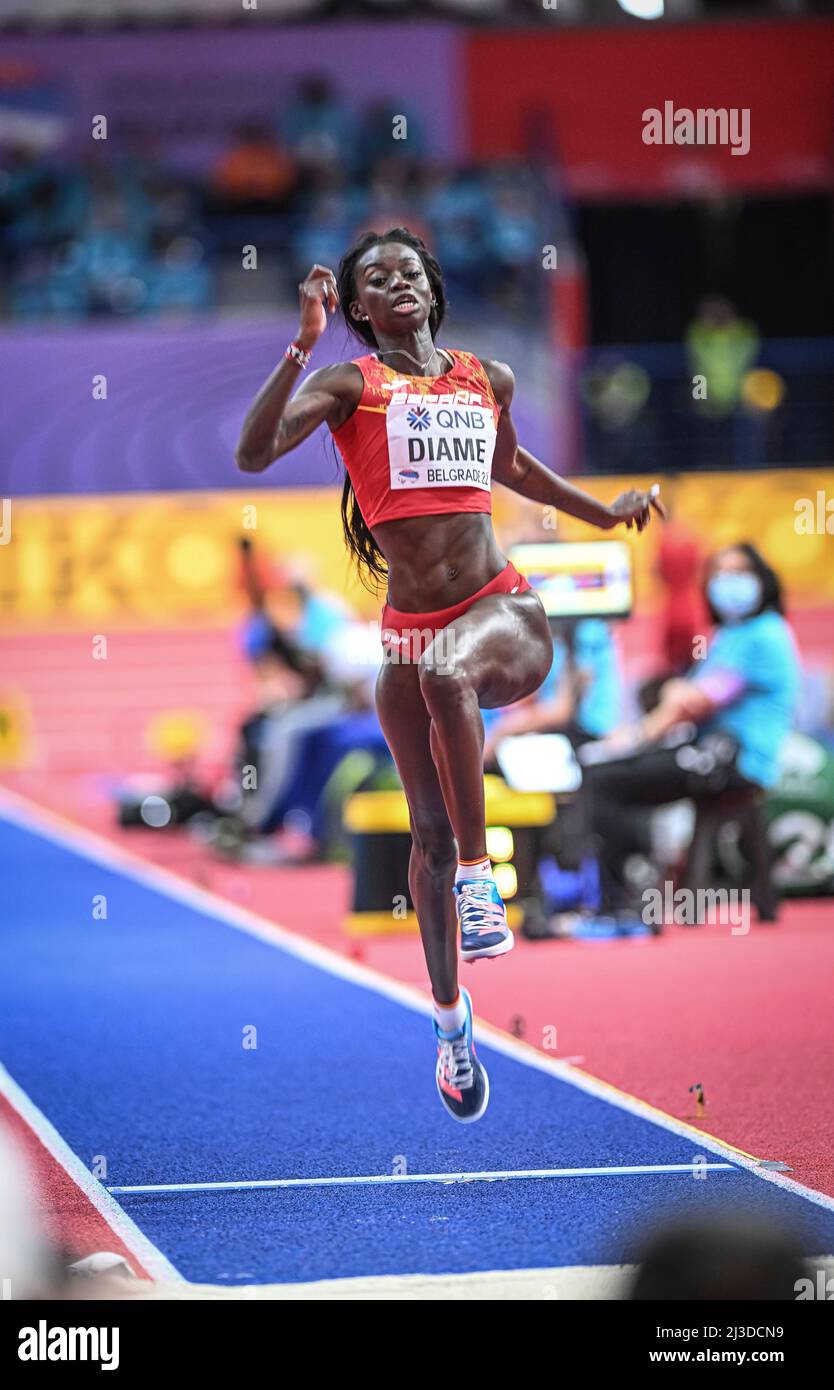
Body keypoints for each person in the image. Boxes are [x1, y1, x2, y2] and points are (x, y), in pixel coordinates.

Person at [235, 227, 661, 1121]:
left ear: (431, 288)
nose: (399, 284)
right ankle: (449, 1021)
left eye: (411, 273)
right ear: (356, 307)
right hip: (409, 634)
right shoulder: (350, 385)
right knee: (420, 827)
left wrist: (605, 512)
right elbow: (253, 452)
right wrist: (301, 344)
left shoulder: (484, 377)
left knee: (447, 677)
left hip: (504, 613)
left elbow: (517, 471)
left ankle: (479, 876)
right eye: (376, 280)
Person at [581, 542, 800, 924]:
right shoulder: (730, 634)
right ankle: (629, 891)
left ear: (762, 580)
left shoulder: (762, 634)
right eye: (719, 574)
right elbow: (682, 695)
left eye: (739, 573)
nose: (727, 583)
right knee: (614, 770)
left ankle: (622, 901)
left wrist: (633, 738)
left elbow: (693, 702)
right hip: (710, 752)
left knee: (603, 778)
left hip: (732, 762)